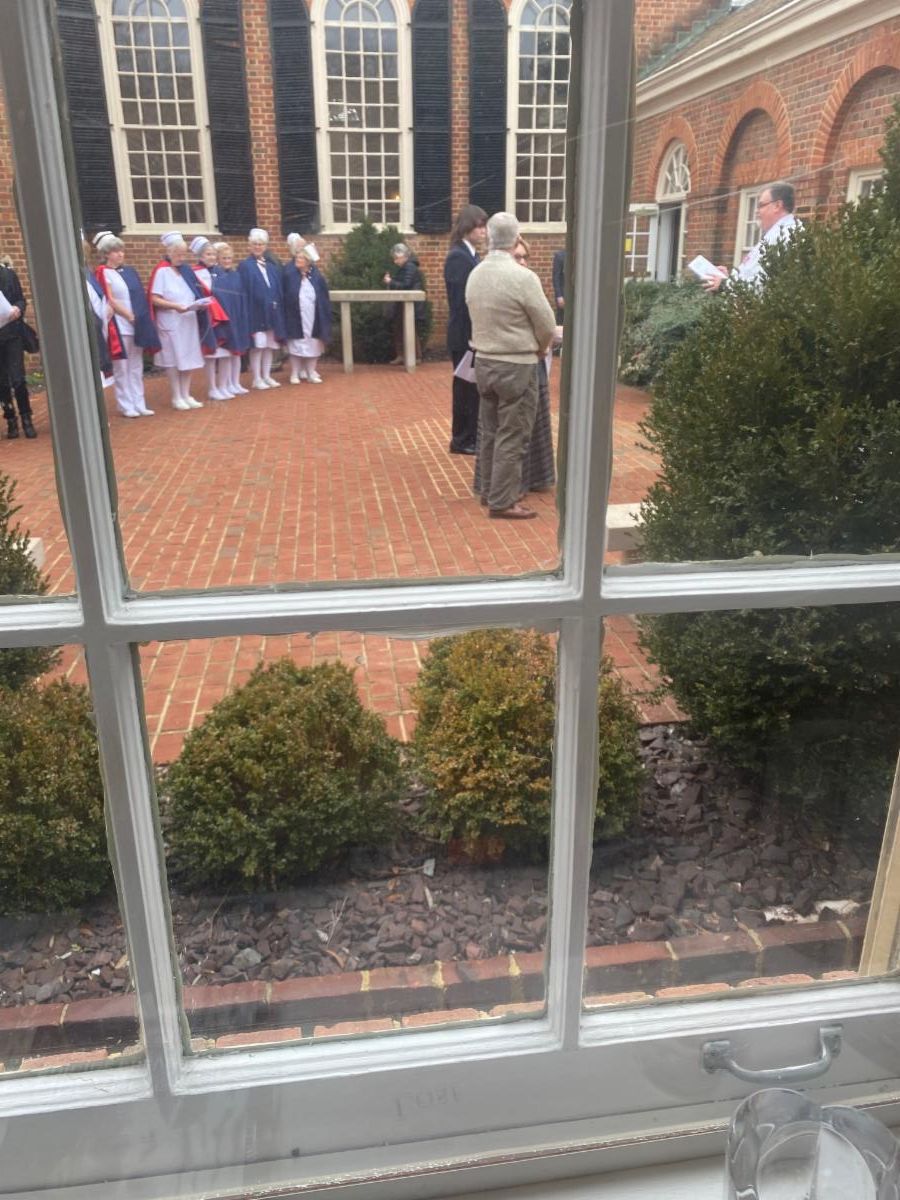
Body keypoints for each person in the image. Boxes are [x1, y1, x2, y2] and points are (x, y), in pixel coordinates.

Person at [466, 213, 556, 520]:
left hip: (484, 362)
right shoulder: (523, 277)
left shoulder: (475, 274)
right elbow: (546, 324)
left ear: (489, 237)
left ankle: (489, 491)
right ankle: (503, 501)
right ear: (516, 238)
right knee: (513, 435)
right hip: (517, 364)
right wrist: (542, 347)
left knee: (490, 431)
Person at [93, 231, 158, 417]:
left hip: (135, 323)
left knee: (136, 365)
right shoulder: (103, 272)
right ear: (106, 254)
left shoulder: (129, 271)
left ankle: (139, 402)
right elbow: (109, 298)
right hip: (119, 325)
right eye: (116, 251)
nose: (120, 254)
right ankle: (125, 404)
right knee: (122, 366)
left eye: (121, 250)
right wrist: (128, 314)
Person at [703, 181, 801, 293]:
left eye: (761, 205)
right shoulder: (778, 234)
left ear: (777, 206)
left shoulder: (786, 237)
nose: (756, 211)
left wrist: (725, 284)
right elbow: (752, 274)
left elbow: (762, 286)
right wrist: (729, 278)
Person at [444, 204, 487, 455]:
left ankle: (471, 436)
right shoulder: (458, 257)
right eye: (479, 226)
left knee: (473, 390)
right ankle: (461, 440)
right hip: (464, 335)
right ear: (467, 227)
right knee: (464, 390)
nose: (483, 231)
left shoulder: (471, 255)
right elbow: (461, 302)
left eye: (484, 227)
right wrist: (472, 336)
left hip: (470, 334)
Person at [147, 231, 206, 411]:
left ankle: (186, 393)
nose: (181, 258)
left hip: (188, 320)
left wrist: (200, 303)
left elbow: (197, 290)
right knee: (173, 359)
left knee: (188, 357)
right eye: (178, 254)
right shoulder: (161, 271)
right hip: (170, 320)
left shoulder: (186, 270)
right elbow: (154, 299)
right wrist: (174, 306)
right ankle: (176, 396)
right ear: (169, 252)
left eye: (183, 254)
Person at [238, 227, 285, 390]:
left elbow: (276, 287)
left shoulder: (270, 266)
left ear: (265, 247)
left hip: (271, 311)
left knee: (269, 346)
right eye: (255, 244)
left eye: (261, 244)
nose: (258, 247)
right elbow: (244, 289)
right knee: (258, 346)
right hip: (255, 311)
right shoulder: (245, 266)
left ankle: (266, 375)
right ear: (250, 246)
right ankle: (256, 378)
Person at [190, 236, 233, 400]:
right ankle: (212, 388)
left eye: (214, 254)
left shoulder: (220, 272)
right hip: (209, 317)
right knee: (211, 354)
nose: (212, 257)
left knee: (226, 352)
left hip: (225, 315)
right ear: (200, 256)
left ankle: (223, 386)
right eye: (208, 254)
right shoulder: (195, 272)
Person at [282, 245, 332, 384]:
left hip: (313, 316)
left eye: (301, 258)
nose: (297, 260)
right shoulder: (290, 276)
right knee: (296, 344)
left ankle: (311, 372)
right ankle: (295, 373)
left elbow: (323, 297)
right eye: (297, 257)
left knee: (313, 343)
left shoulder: (317, 277)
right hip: (295, 316)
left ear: (308, 261)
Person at [0, 255, 36, 438]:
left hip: (12, 334)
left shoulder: (9, 275)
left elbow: (21, 299)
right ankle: (11, 420)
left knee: (18, 378)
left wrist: (18, 309)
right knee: (2, 382)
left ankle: (26, 418)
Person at [211, 242, 250, 396]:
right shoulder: (215, 276)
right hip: (224, 318)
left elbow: (241, 296)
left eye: (229, 258)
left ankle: (235, 382)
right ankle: (224, 385)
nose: (227, 261)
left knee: (237, 351)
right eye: (224, 258)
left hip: (237, 316)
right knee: (225, 353)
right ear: (218, 259)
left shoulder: (236, 275)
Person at [383, 243, 425, 365]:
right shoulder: (407, 267)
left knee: (408, 328)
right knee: (400, 328)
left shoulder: (409, 267)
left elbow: (406, 285)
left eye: (396, 258)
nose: (395, 261)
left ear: (403, 256)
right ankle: (403, 355)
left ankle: (415, 356)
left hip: (410, 304)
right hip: (404, 303)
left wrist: (391, 282)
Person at [552, 247, 566, 324]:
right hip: (563, 295)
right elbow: (556, 277)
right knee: (561, 319)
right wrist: (559, 296)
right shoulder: (560, 256)